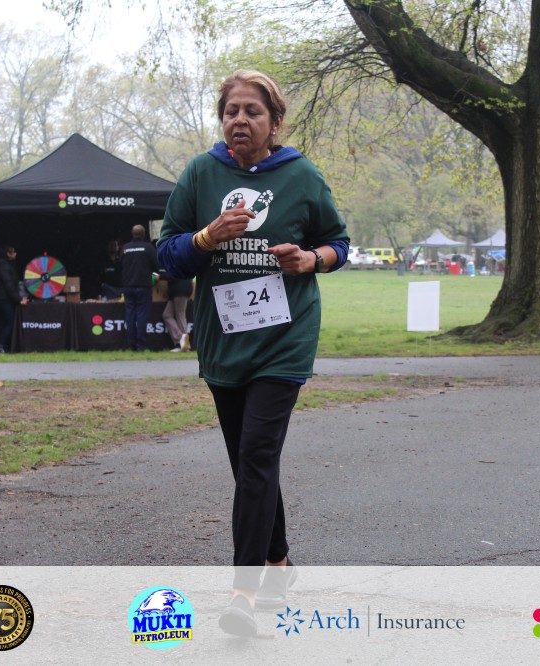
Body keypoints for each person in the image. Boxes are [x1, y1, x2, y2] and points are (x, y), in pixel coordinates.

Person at [157, 69, 349, 637]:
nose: (239, 120)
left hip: (284, 341)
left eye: (252, 112)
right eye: (231, 111)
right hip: (225, 341)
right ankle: (279, 563)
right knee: (249, 465)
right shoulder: (201, 173)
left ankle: (243, 592)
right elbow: (167, 255)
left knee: (258, 457)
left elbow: (338, 242)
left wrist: (311, 260)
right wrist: (206, 238)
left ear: (275, 122)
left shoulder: (301, 175)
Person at [120, 225, 159, 351]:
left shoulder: (125, 248)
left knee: (130, 315)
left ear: (132, 233)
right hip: (144, 286)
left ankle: (131, 344)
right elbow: (157, 265)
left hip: (128, 286)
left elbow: (119, 265)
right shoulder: (148, 247)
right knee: (142, 315)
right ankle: (141, 345)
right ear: (144, 233)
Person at [0, 245, 28, 352]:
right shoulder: (4, 267)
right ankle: (0, 345)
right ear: (8, 254)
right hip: (5, 300)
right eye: (13, 252)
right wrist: (19, 299)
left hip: (1, 299)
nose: (16, 254)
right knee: (10, 322)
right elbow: (9, 286)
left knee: (3, 322)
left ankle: (0, 344)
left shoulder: (3, 265)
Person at [162, 272, 193, 352]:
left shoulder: (176, 265)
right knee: (167, 315)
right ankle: (180, 341)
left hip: (181, 289)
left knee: (180, 315)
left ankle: (185, 344)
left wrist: (160, 276)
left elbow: (174, 275)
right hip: (176, 290)